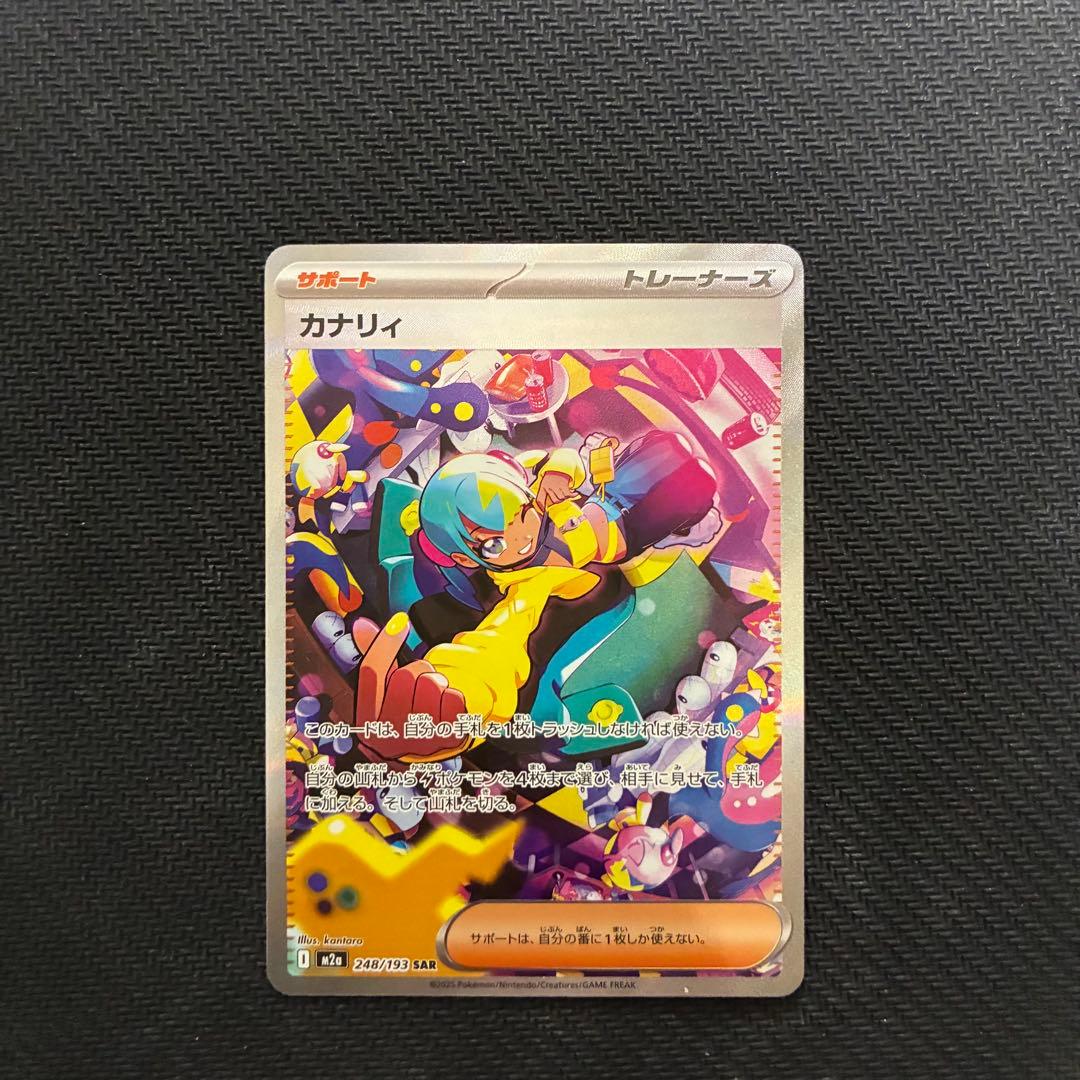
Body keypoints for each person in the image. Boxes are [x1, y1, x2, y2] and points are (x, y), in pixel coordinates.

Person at [352, 431, 723, 762]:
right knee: (698, 483)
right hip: (621, 537)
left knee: (668, 448)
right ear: (466, 557)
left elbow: (565, 460)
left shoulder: (537, 495)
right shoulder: (525, 585)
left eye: (522, 514)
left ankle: (665, 489)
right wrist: (466, 697)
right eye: (494, 543)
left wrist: (557, 473)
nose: (522, 536)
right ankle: (684, 527)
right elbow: (497, 643)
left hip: (601, 503)